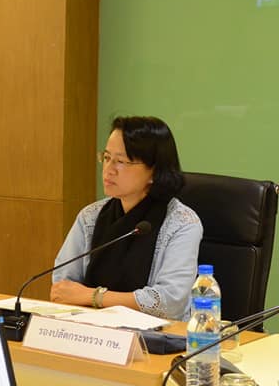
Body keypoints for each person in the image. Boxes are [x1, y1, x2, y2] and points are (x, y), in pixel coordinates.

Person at [49, 116, 201, 321]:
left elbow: (170, 303)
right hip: (90, 328)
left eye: (120, 161)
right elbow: (63, 287)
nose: (109, 169)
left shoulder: (182, 223)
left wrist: (94, 296)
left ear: (154, 171)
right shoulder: (90, 216)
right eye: (106, 157)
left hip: (156, 334)